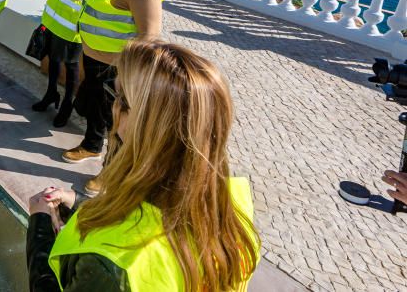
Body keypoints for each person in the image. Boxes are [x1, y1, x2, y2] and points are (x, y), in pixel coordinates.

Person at [27, 40, 260, 292]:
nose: (113, 107)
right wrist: (79, 203)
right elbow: (151, 218)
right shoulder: (232, 210)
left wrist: (40, 228)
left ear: (149, 127)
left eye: (121, 99)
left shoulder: (113, 265)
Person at [62, 0, 163, 170]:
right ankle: (92, 145)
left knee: (116, 122)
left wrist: (128, 72)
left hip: (117, 66)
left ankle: (111, 172)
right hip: (93, 57)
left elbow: (149, 35)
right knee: (95, 109)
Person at [32, 0, 110, 127]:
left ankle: (67, 104)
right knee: (53, 59)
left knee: (72, 65)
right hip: (53, 18)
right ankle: (50, 95)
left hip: (72, 26)